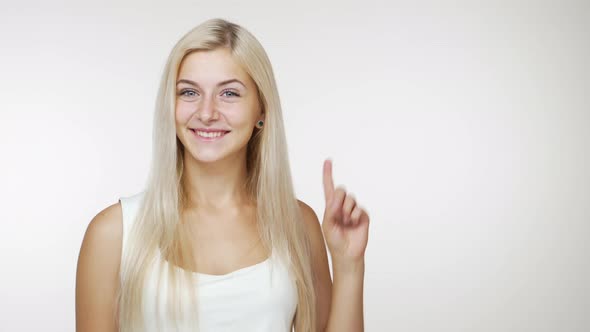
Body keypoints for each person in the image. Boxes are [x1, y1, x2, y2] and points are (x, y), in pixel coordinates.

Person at [75, 18, 370, 332]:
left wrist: (349, 266)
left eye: (229, 94)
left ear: (262, 111)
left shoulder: (297, 224)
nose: (206, 112)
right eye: (189, 92)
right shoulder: (113, 233)